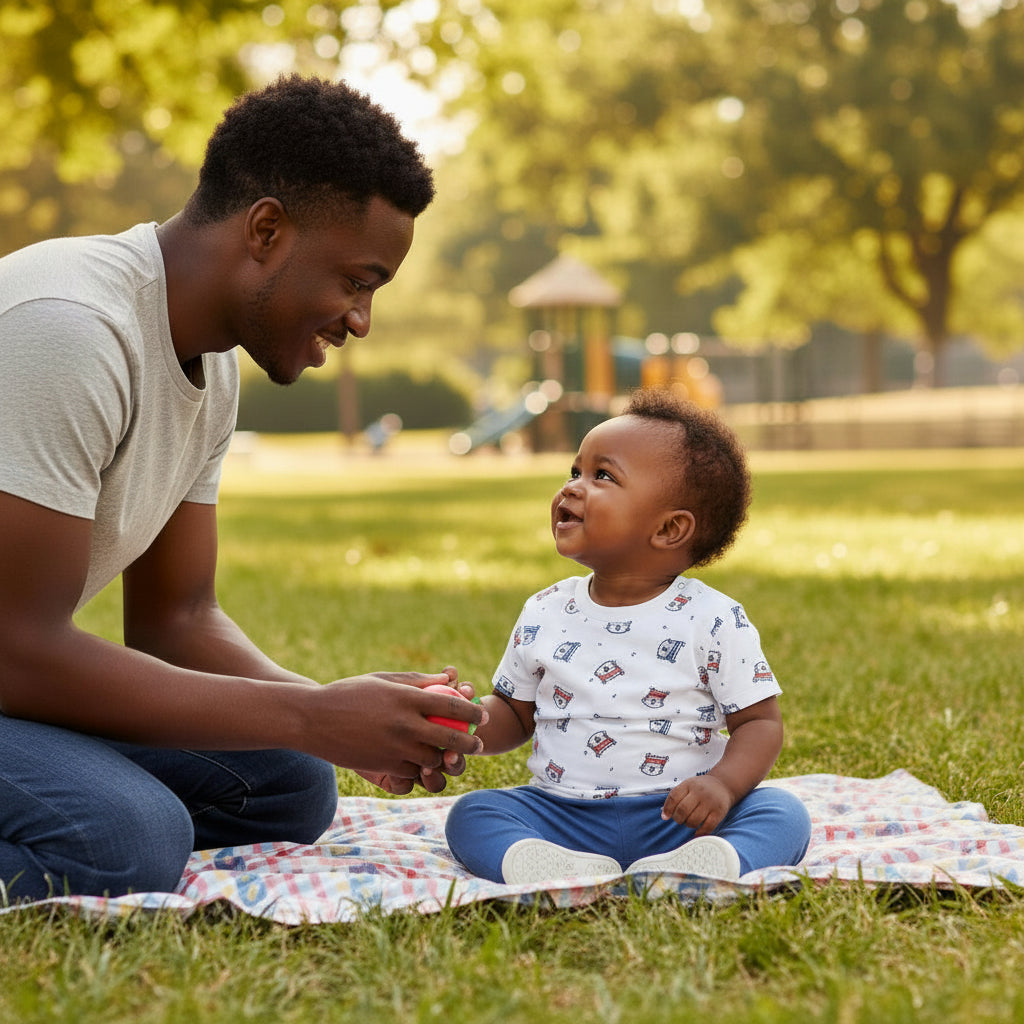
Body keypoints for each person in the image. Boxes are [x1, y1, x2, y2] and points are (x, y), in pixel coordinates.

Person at [0, 75, 485, 903]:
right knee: (124, 837)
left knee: (289, 781)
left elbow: (176, 618)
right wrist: (312, 715)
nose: (361, 320)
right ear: (265, 229)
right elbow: (16, 649)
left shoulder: (212, 364)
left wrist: (334, 715)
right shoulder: (70, 327)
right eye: (357, 281)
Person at [445, 389, 810, 885]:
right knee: (473, 813)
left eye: (603, 476)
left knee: (781, 810)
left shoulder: (713, 618)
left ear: (668, 529)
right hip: (561, 815)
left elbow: (760, 724)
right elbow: (514, 715)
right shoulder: (545, 610)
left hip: (682, 817)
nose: (572, 488)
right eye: (575, 471)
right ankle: (547, 865)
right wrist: (460, 723)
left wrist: (721, 786)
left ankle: (706, 867)